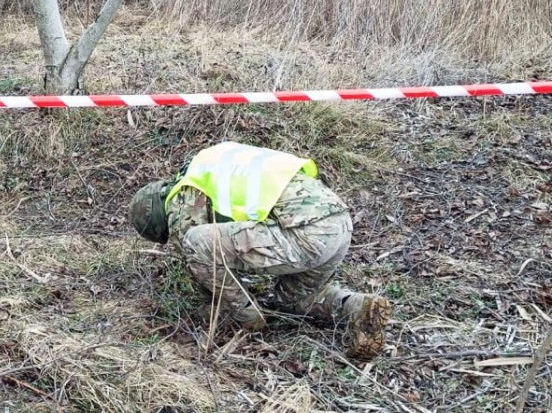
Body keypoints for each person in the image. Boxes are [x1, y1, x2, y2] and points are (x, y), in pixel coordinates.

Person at [128, 141, 392, 360]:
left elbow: (197, 253)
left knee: (195, 241)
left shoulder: (180, 199)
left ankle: (246, 317)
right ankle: (356, 306)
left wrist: (220, 304)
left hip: (304, 233)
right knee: (291, 300)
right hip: (339, 223)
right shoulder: (204, 168)